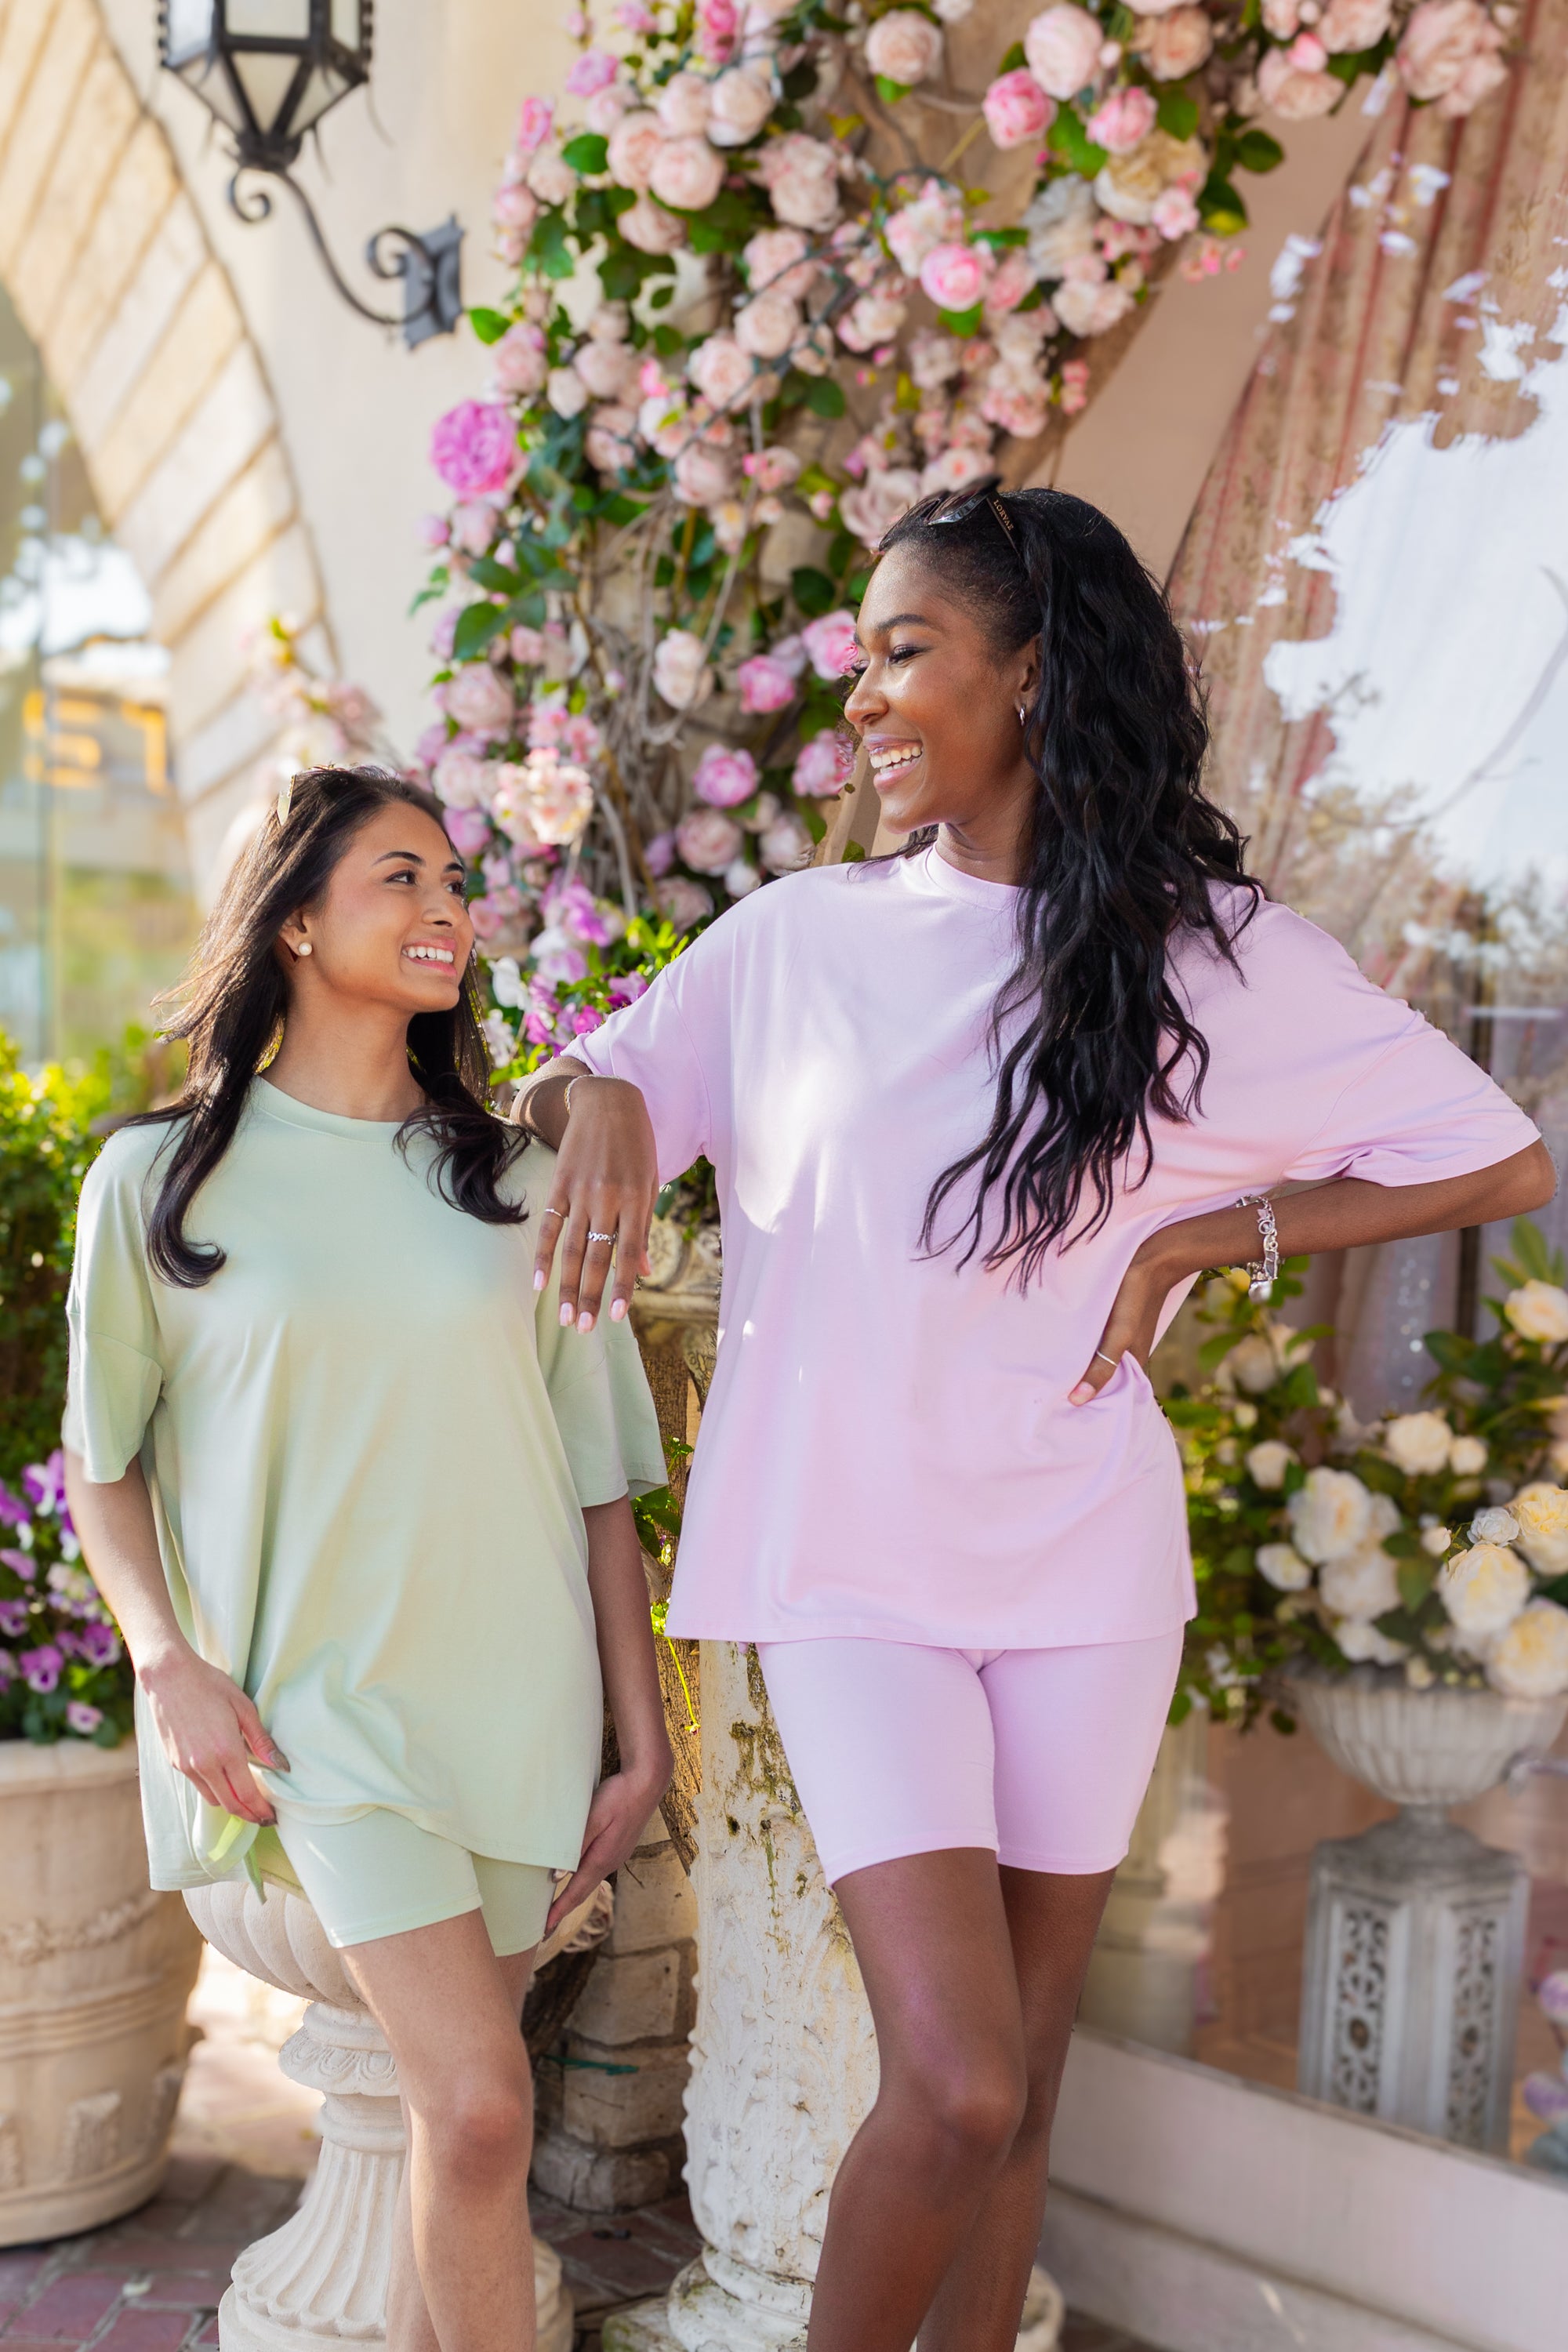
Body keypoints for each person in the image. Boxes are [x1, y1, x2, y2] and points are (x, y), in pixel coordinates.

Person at [519, 481, 1555, 2352]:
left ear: (1032, 671)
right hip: (852, 1578)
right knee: (961, 2081)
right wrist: (585, 1080)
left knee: (1029, 2087)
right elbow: (587, 1091)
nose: (862, 697)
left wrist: (1211, 1227)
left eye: (902, 649)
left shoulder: (1214, 958)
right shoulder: (792, 944)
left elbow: (1492, 1155)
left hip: (1083, 1571)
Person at [64, 766, 670, 2352]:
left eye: (457, 881)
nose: (448, 909)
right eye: (400, 876)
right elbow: (102, 1463)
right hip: (310, 1712)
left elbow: (598, 1482)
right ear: (296, 921)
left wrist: (644, 1728)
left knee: (444, 2128)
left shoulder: (519, 1189)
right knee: (479, 2111)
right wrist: (165, 1662)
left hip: (514, 1701)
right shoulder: (158, 1180)